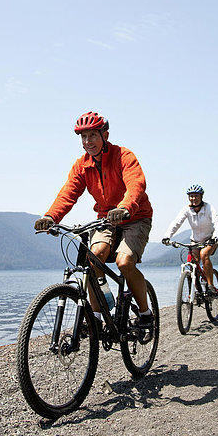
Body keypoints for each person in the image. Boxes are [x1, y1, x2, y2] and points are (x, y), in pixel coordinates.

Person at [34, 111, 154, 332]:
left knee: (124, 262)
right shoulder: (82, 165)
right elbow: (68, 193)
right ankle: (98, 316)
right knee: (93, 257)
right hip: (105, 218)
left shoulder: (123, 156)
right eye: (83, 137)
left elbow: (136, 185)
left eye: (92, 136)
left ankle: (146, 314)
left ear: (104, 135)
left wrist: (125, 208)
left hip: (135, 216)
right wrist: (51, 217)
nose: (88, 142)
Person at [162, 184, 218, 295]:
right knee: (192, 263)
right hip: (195, 241)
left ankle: (210, 286)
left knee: (204, 254)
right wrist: (167, 236)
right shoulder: (187, 210)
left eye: (196, 196)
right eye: (191, 196)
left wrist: (216, 236)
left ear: (201, 196)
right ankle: (194, 290)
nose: (193, 198)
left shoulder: (208, 208)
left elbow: (217, 222)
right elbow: (176, 223)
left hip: (210, 240)